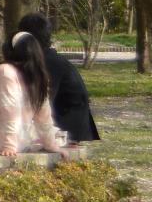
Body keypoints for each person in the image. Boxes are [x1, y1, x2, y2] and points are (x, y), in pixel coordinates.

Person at [15, 12, 99, 144]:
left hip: (69, 126)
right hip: (62, 118)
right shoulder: (45, 58)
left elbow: (42, 101)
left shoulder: (49, 62)